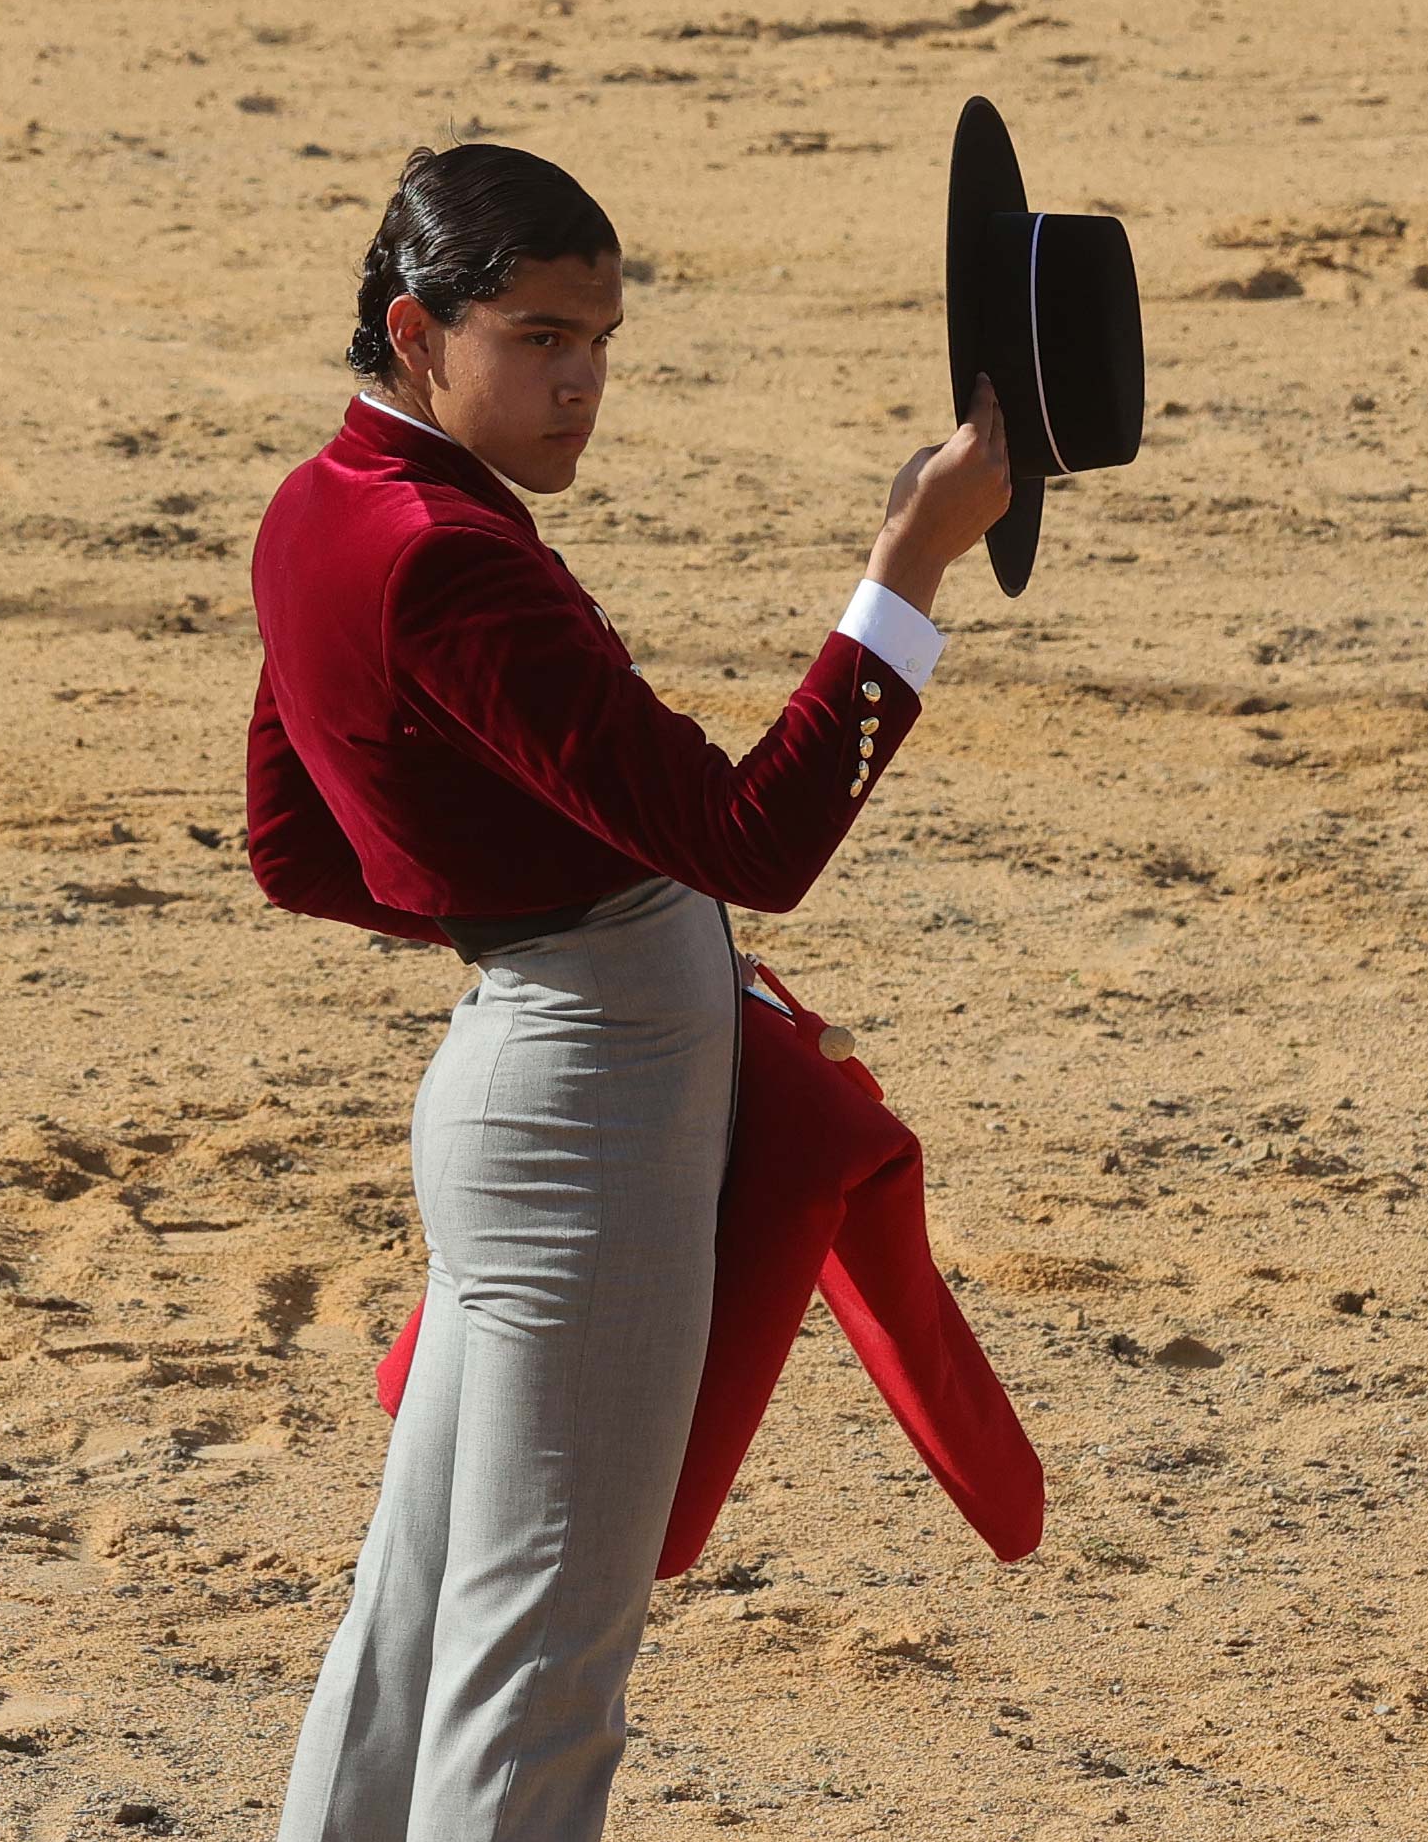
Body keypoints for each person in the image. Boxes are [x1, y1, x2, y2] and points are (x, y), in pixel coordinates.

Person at [245, 142, 1010, 1842]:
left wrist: (503, 906)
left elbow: (297, 851)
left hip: (512, 1084)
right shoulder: (453, 556)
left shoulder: (316, 510)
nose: (582, 381)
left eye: (600, 336)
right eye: (535, 337)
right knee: (537, 1669)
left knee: (418, 1620)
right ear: (415, 331)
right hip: (586, 1111)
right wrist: (911, 567)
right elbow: (756, 835)